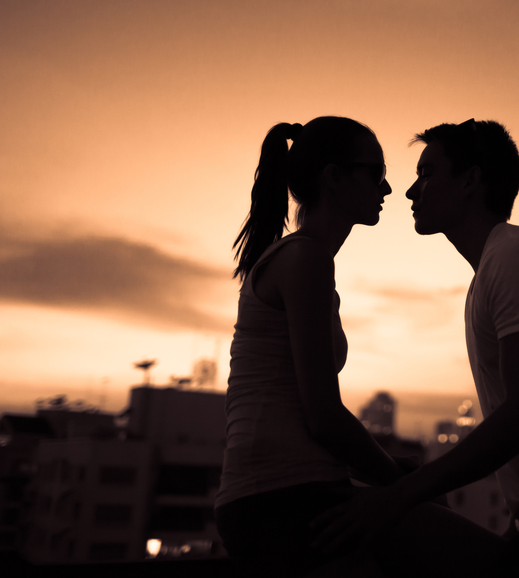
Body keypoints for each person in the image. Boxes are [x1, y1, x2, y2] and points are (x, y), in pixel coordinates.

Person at [313, 119, 519, 576]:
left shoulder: (515, 257)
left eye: (427, 173)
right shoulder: (491, 271)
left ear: (471, 180)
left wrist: (398, 495)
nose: (411, 192)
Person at [214, 118, 500, 576]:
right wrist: (402, 482)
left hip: (293, 494)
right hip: (281, 502)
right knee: (497, 563)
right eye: (375, 172)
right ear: (333, 176)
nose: (389, 188)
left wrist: (395, 473)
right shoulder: (304, 259)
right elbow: (324, 416)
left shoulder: (307, 261)